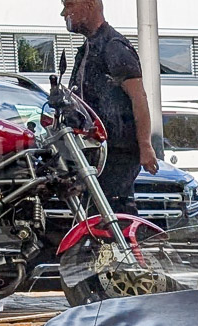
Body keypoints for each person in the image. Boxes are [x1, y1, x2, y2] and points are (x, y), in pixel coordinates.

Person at [60, 0, 156, 213]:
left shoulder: (112, 46)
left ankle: (123, 244)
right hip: (98, 151)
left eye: (69, 5)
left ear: (90, 4)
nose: (64, 13)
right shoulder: (88, 48)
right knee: (99, 211)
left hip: (116, 152)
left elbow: (138, 96)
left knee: (112, 210)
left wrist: (145, 145)